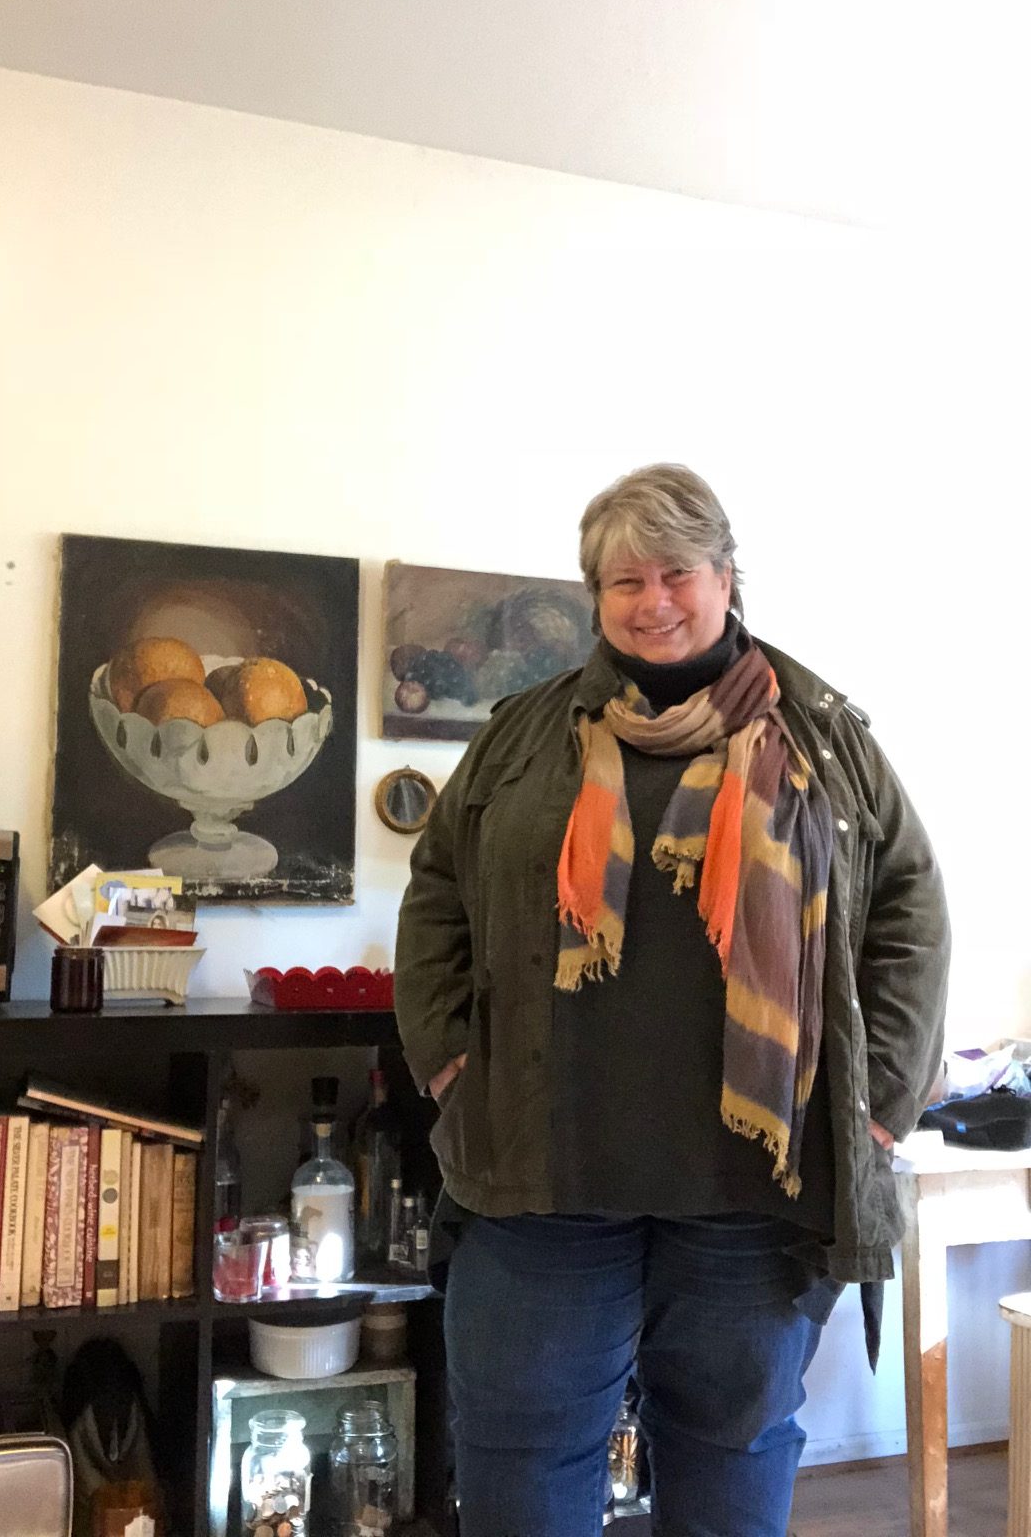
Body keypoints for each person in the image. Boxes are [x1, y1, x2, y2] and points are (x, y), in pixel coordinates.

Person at [394, 464, 950, 1537]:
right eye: (624, 580)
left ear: (726, 577)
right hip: (542, 1180)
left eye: (677, 573)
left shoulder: (824, 738)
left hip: (752, 1190)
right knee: (520, 1457)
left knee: (730, 1450)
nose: (653, 601)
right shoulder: (521, 734)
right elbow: (436, 895)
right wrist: (451, 1060)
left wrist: (878, 1103)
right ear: (594, 596)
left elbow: (909, 911)